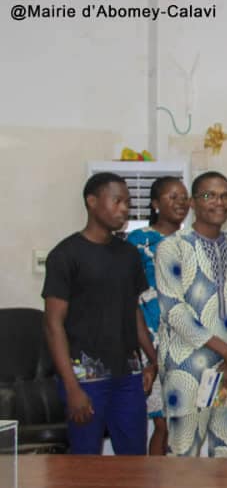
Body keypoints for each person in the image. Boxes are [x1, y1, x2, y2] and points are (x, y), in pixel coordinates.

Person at [43, 173, 157, 455]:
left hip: (128, 376)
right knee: (86, 465)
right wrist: (72, 387)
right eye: (117, 201)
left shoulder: (128, 254)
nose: (124, 209)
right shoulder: (65, 255)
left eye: (128, 202)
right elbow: (53, 325)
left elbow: (133, 312)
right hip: (84, 379)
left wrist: (153, 361)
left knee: (134, 461)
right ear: (92, 202)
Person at [156, 171, 227, 458]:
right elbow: (173, 310)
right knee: (183, 454)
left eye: (226, 196)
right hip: (187, 366)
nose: (219, 202)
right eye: (209, 195)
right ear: (193, 203)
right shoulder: (172, 247)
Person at [126, 176, 191, 455]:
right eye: (172, 197)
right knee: (163, 425)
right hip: (150, 343)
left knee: (183, 424)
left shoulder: (192, 241)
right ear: (155, 203)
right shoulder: (138, 241)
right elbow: (129, 298)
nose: (180, 203)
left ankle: (179, 480)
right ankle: (155, 479)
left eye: (184, 197)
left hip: (187, 342)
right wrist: (149, 355)